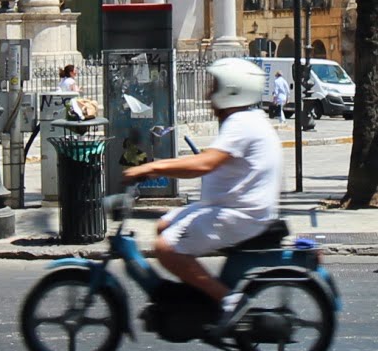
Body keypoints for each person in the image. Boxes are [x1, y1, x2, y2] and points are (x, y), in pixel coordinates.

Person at [121, 57, 283, 331]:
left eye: (214, 86)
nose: (209, 93)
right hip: (229, 206)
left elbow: (203, 164)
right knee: (163, 225)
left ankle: (229, 301)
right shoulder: (245, 119)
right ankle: (195, 298)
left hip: (240, 213)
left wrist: (154, 166)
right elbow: (212, 160)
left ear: (231, 89)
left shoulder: (241, 122)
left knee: (166, 248)